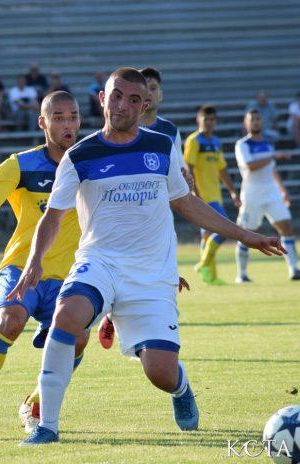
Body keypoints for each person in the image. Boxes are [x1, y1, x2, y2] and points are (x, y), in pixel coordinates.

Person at [9, 67, 284, 445]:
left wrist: (245, 235)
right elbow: (53, 217)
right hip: (100, 262)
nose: (123, 104)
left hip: (151, 272)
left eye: (134, 99)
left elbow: (186, 203)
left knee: (160, 373)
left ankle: (180, 388)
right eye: (116, 95)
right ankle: (47, 426)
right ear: (102, 99)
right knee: (66, 316)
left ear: (144, 106)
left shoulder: (161, 147)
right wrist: (35, 261)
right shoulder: (79, 156)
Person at [0, 92, 89, 441]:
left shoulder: (90, 164)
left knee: (79, 338)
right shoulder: (21, 165)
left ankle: (34, 405)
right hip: (22, 268)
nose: (67, 124)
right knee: (10, 321)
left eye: (72, 116)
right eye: (58, 117)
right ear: (43, 122)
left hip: (68, 274)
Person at [97, 66, 195, 349]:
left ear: (159, 95)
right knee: (122, 264)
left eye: (153, 89)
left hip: (156, 207)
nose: (149, 94)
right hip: (124, 211)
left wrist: (185, 178)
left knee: (154, 265)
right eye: (146, 88)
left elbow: (177, 168)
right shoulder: (122, 126)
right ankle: (114, 312)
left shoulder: (168, 131)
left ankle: (147, 321)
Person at [235, 109, 300, 282]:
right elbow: (250, 166)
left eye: (258, 119)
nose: (255, 122)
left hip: (272, 193)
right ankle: (242, 275)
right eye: (252, 119)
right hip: (252, 195)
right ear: (246, 123)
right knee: (246, 234)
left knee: (287, 228)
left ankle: (294, 270)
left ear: (262, 122)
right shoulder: (242, 145)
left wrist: (282, 190)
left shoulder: (268, 144)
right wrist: (273, 156)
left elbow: (272, 169)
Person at [184, 105, 241, 285]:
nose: (208, 123)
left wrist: (233, 192)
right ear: (198, 120)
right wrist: (195, 194)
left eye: (212, 120)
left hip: (215, 195)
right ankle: (203, 264)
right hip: (203, 196)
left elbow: (222, 169)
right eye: (205, 119)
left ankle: (210, 276)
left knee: (208, 236)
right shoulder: (194, 141)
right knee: (224, 229)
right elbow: (188, 168)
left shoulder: (216, 142)